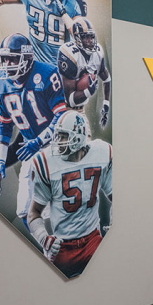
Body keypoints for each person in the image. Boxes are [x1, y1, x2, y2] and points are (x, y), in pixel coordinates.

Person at [0, 34, 68, 224]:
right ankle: (45, 247)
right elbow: (5, 122)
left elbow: (61, 116)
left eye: (13, 59)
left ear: (26, 58)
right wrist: (0, 159)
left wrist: (39, 141)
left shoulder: (47, 74)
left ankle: (61, 245)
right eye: (4, 59)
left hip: (55, 145)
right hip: (29, 147)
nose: (7, 64)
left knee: (50, 208)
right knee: (24, 210)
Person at [27, 111, 112, 278]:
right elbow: (33, 213)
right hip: (62, 246)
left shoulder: (102, 152)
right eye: (58, 136)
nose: (58, 141)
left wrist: (115, 221)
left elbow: (116, 198)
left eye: (64, 136)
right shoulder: (45, 162)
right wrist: (44, 239)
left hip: (92, 240)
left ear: (79, 136)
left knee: (105, 284)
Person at [57, 17, 111, 127]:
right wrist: (88, 92)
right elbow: (70, 101)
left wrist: (106, 104)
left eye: (92, 37)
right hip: (61, 108)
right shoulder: (69, 55)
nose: (90, 40)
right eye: (86, 37)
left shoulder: (98, 53)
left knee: (85, 142)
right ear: (77, 38)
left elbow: (107, 79)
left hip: (80, 111)